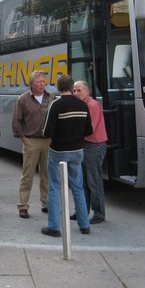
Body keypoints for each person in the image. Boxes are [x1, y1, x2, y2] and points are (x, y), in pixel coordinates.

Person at [41, 74, 93, 237]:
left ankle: (54, 227)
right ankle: (84, 225)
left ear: (57, 87)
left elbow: (47, 131)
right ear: (72, 88)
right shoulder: (82, 105)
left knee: (55, 188)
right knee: (78, 187)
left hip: (58, 152)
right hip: (77, 151)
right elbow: (89, 130)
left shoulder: (56, 105)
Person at [11, 70, 54, 219]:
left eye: (44, 81)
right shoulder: (23, 99)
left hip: (48, 141)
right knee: (27, 175)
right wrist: (24, 139)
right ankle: (23, 206)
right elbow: (16, 120)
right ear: (31, 84)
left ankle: (46, 203)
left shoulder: (51, 98)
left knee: (47, 175)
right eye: (39, 82)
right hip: (31, 141)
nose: (42, 84)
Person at [72, 80, 108, 224]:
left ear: (87, 91)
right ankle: (82, 211)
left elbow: (88, 128)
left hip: (93, 146)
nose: (76, 93)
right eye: (74, 90)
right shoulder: (82, 105)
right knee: (82, 181)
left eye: (79, 90)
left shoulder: (92, 106)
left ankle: (99, 213)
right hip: (85, 145)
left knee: (93, 181)